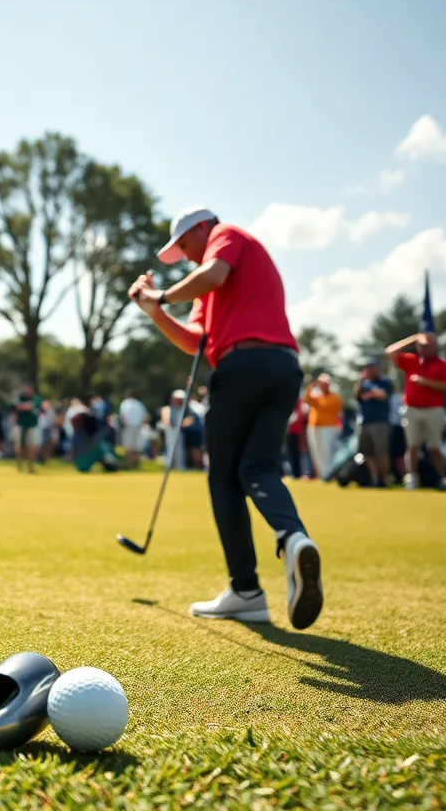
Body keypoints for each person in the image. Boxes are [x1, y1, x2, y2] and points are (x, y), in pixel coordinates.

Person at [128, 206, 322, 630]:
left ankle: (246, 591)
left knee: (223, 477)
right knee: (256, 467)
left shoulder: (227, 235)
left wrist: (161, 295)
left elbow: (212, 273)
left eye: (184, 245)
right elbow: (196, 340)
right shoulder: (206, 285)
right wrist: (155, 311)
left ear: (202, 228)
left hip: (245, 367)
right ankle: (294, 538)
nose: (186, 255)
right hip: (283, 369)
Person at [385, 331, 446, 490]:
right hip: (412, 409)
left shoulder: (442, 365)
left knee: (435, 448)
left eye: (428, 346)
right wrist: (413, 338)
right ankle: (412, 477)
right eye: (421, 346)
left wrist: (426, 382)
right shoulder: (411, 361)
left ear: (435, 347)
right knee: (412, 447)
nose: (424, 349)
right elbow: (390, 352)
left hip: (433, 410)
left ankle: (441, 479)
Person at [353, 358, 394, 488]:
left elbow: (383, 395)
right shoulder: (362, 383)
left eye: (371, 367)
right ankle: (375, 478)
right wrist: (362, 381)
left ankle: (385, 479)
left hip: (380, 422)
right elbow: (357, 396)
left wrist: (371, 389)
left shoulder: (385, 382)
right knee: (368, 453)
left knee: (381, 452)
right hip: (364, 422)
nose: (369, 370)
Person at [302, 373, 343, 480]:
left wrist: (316, 399)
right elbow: (306, 399)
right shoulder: (316, 395)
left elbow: (322, 405)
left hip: (328, 427)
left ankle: (329, 474)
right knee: (316, 452)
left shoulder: (334, 397)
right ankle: (322, 474)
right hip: (314, 427)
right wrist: (310, 385)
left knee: (326, 451)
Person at [12, 383, 42, 473]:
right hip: (21, 425)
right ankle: (19, 464)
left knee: (32, 446)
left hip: (32, 425)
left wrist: (24, 406)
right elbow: (17, 407)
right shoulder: (19, 398)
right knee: (20, 447)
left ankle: (31, 466)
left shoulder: (36, 399)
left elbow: (31, 407)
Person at [117, 389, 147, 467]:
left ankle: (129, 464)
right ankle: (135, 464)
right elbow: (144, 416)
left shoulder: (125, 403)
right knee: (136, 446)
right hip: (138, 427)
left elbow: (123, 415)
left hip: (129, 427)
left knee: (129, 446)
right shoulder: (139, 404)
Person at [284, 396, 308, 479]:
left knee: (296, 454)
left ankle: (297, 473)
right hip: (289, 431)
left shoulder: (298, 402)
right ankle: (293, 473)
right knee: (290, 454)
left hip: (297, 432)